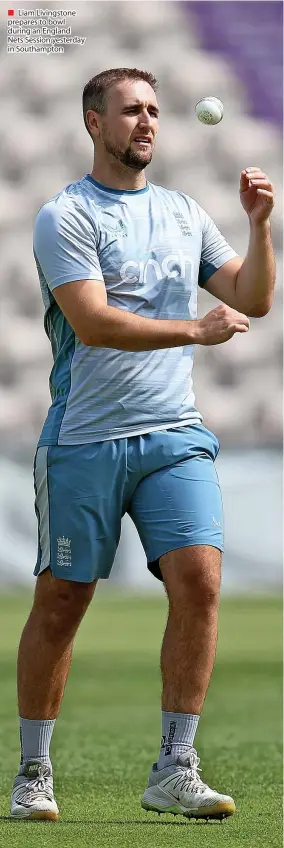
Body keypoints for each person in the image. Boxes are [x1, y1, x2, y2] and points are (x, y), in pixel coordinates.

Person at [10, 67, 275, 822]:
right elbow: (94, 323)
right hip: (85, 440)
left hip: (174, 437)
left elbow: (253, 297)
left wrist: (259, 225)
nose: (148, 122)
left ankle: (175, 767)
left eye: (155, 110)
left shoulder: (185, 212)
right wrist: (195, 328)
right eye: (131, 110)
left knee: (201, 581)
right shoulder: (64, 215)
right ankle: (34, 773)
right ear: (95, 122)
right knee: (63, 603)